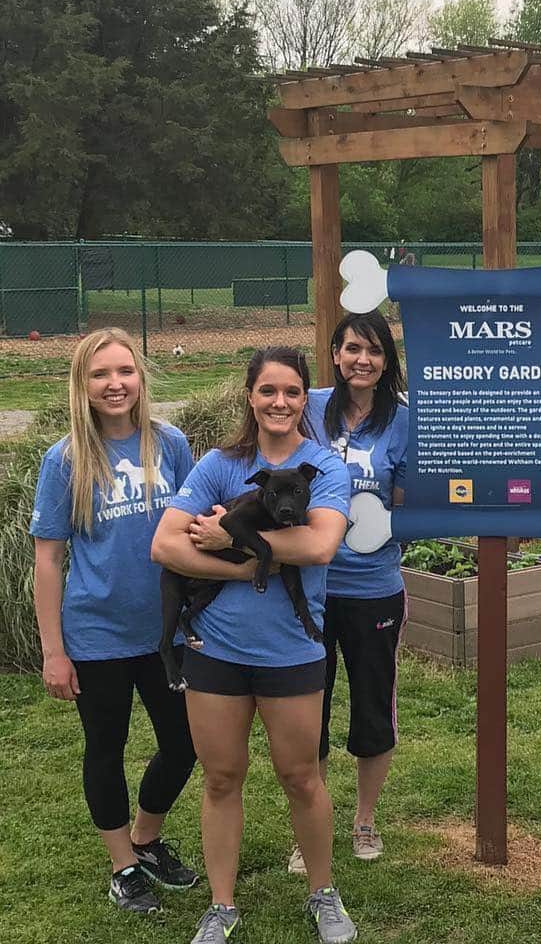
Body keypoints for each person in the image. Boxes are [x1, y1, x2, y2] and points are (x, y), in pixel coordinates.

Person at [151, 346, 357, 944]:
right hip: (216, 650)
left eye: (292, 391)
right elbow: (165, 546)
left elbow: (320, 547)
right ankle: (220, 906)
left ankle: (323, 892)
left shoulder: (324, 467)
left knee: (302, 778)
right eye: (268, 390)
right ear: (250, 396)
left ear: (305, 398)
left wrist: (226, 540)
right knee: (220, 779)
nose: (280, 402)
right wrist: (247, 564)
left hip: (292, 648)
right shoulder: (219, 464)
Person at [30, 328, 199, 914]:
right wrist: (55, 650)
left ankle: (145, 838)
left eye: (124, 371)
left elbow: (194, 527)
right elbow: (49, 559)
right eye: (100, 374)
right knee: (106, 747)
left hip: (168, 633)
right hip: (97, 635)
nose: (115, 384)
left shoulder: (170, 444)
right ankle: (121, 866)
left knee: (184, 744)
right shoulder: (66, 460)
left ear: (140, 377)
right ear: (82, 385)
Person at [287, 311, 408, 874]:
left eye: (375, 351)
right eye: (354, 348)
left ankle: (364, 819)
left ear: (387, 360)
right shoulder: (307, 407)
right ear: (335, 353)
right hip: (307, 588)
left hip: (373, 588)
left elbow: (412, 500)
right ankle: (309, 825)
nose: (364, 359)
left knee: (371, 709)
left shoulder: (404, 421)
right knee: (308, 712)